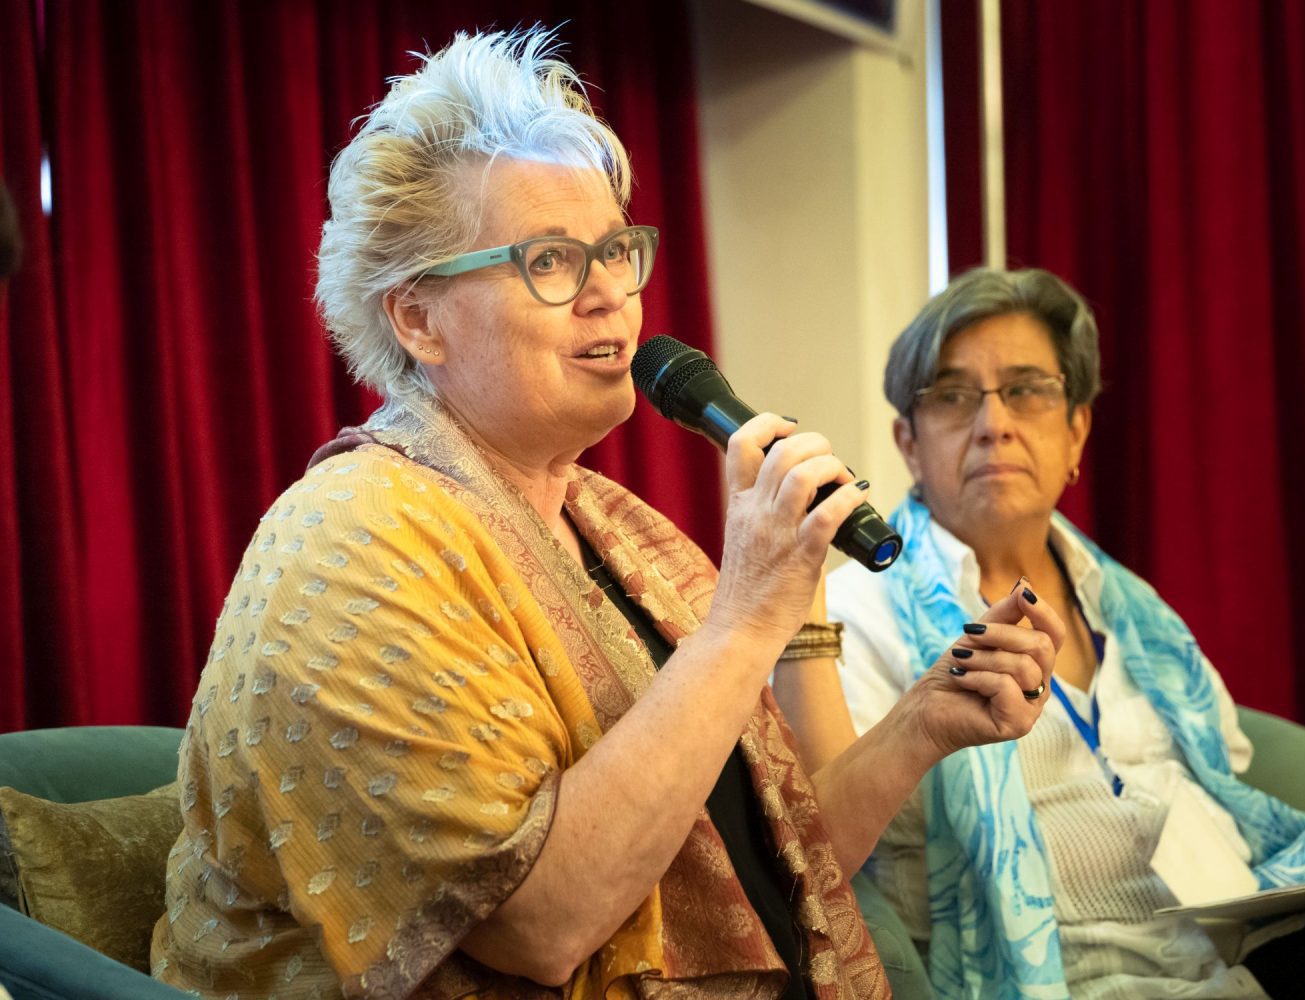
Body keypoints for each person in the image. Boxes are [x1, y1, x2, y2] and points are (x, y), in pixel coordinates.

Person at [148, 33, 1061, 1000]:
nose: (611, 295)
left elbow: (771, 870)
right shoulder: (353, 541)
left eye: (617, 251)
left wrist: (923, 721)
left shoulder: (618, 527)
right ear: (419, 319)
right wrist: (750, 613)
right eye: (551, 260)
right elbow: (541, 927)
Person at [786, 267, 1305, 999]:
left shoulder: (1135, 614)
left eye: (1026, 389)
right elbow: (817, 850)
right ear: (908, 443)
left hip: (1226, 970)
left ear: (1076, 432)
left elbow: (1206, 811)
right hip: (1062, 984)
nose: (994, 423)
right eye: (953, 395)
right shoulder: (854, 615)